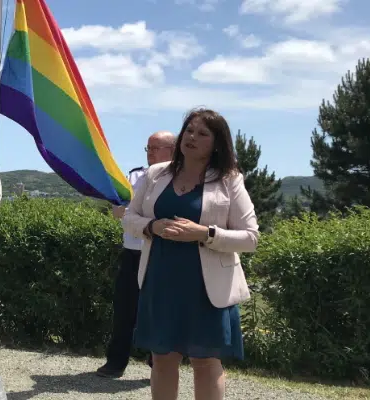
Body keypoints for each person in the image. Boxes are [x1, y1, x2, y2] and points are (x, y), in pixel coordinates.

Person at [123, 108, 259, 399]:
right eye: (189, 130)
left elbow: (250, 237)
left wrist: (205, 234)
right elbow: (129, 218)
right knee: (162, 359)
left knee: (207, 362)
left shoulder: (229, 180)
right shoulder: (155, 174)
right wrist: (152, 226)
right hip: (160, 280)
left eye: (202, 133)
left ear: (217, 142)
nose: (192, 137)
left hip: (207, 287)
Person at [96, 130, 175, 378]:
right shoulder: (135, 176)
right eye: (148, 148)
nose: (150, 152)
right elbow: (120, 206)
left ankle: (158, 362)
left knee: (160, 311)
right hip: (133, 253)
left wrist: (134, 215)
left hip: (162, 254)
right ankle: (116, 362)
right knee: (124, 309)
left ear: (172, 150)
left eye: (156, 147)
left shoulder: (179, 179)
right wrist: (119, 210)